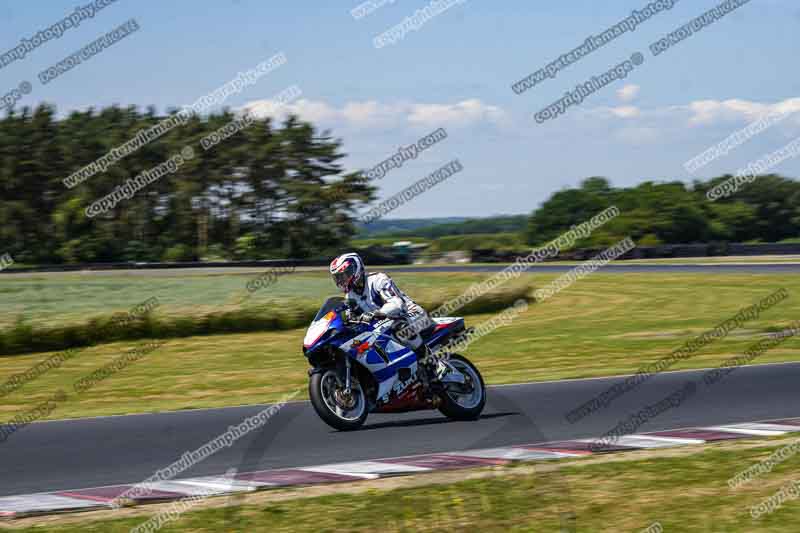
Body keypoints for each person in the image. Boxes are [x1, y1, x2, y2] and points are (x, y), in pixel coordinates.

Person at [329, 252, 436, 371]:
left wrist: (377, 313)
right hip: (385, 324)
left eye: (344, 275)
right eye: (338, 278)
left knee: (401, 328)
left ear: (356, 269)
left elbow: (397, 303)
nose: (341, 281)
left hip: (412, 313)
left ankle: (434, 363)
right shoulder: (350, 296)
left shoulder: (378, 279)